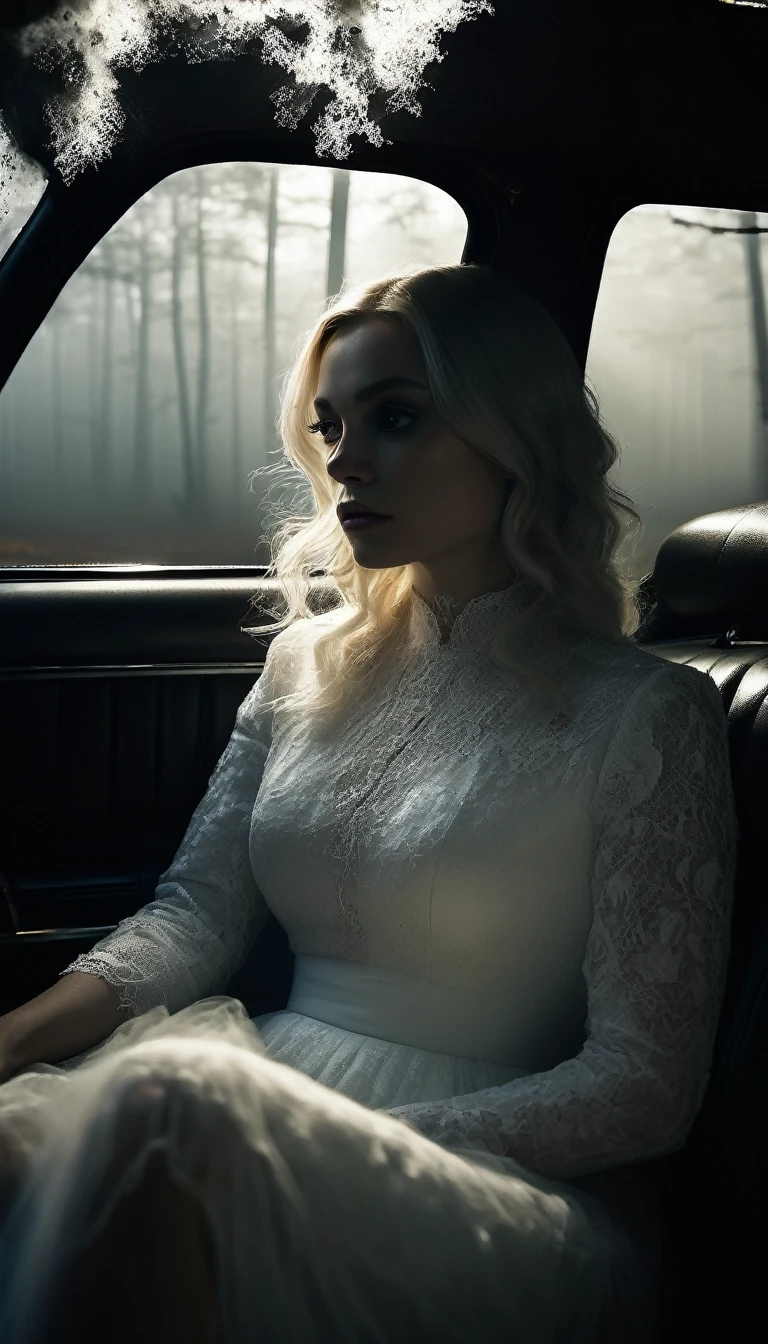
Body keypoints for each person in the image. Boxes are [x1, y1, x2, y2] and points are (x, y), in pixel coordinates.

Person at [0, 264, 738, 1344]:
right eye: (332, 425)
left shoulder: (646, 712)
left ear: (512, 434)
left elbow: (643, 1085)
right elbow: (194, 918)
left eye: (397, 418)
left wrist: (346, 1135)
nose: (347, 460)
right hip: (258, 1085)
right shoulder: (305, 663)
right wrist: (11, 1039)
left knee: (168, 1110)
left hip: (498, 1183)